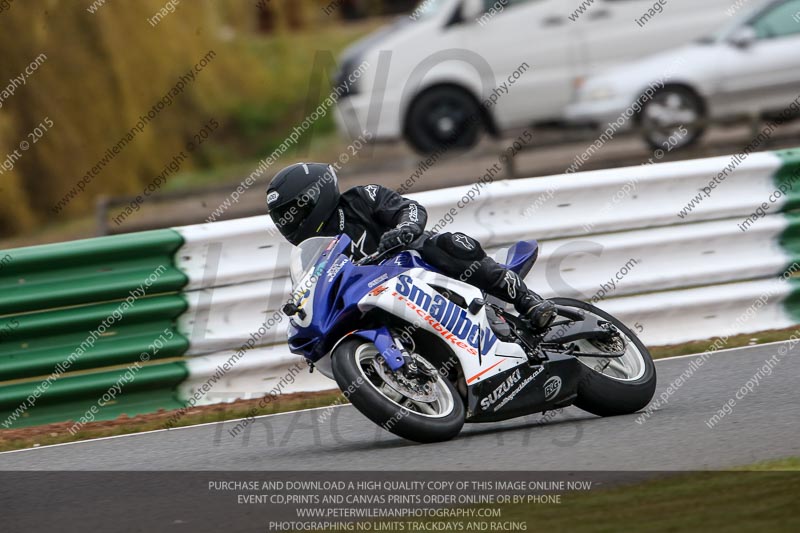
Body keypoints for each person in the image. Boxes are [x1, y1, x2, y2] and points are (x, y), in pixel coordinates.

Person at [266, 163, 556, 329]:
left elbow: (410, 208)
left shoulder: (363, 198)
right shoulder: (312, 251)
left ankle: (526, 300)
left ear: (314, 197)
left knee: (444, 244)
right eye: (280, 217)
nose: (287, 221)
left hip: (414, 265)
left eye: (292, 210)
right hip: (375, 296)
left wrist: (404, 230)